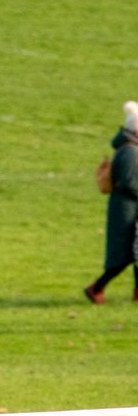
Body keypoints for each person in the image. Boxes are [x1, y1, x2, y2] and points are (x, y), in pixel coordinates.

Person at [84, 101, 138, 304]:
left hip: (130, 207)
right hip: (126, 209)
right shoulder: (131, 152)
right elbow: (130, 183)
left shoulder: (129, 149)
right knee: (123, 256)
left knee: (135, 253)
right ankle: (96, 288)